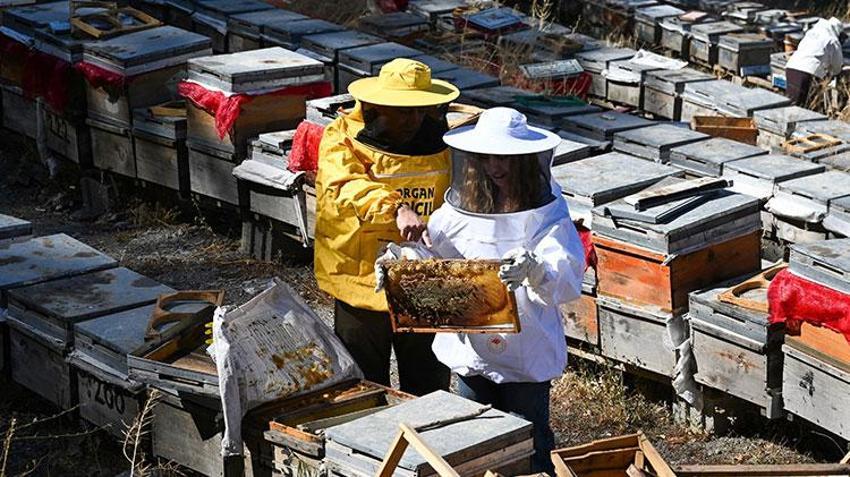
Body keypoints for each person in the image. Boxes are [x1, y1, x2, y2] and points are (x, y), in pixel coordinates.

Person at [379, 107, 585, 473]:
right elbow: (439, 254)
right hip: (471, 344)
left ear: (525, 161)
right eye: (487, 157)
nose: (495, 166)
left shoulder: (545, 208)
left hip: (526, 347)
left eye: (504, 158)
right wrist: (405, 266)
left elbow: (566, 270)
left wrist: (536, 270)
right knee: (474, 446)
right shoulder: (463, 204)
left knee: (529, 445)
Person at [313, 58, 459, 396]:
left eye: (420, 110)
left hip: (423, 277)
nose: (414, 119)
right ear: (377, 106)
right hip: (361, 279)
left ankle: (427, 445)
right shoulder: (341, 139)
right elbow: (344, 184)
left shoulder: (445, 140)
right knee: (363, 386)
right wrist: (396, 207)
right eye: (404, 111)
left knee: (429, 384)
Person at [785, 17, 848, 105]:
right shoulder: (832, 39)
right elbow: (837, 66)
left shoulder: (812, 33)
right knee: (801, 105)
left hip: (791, 67)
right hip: (807, 72)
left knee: (792, 101)